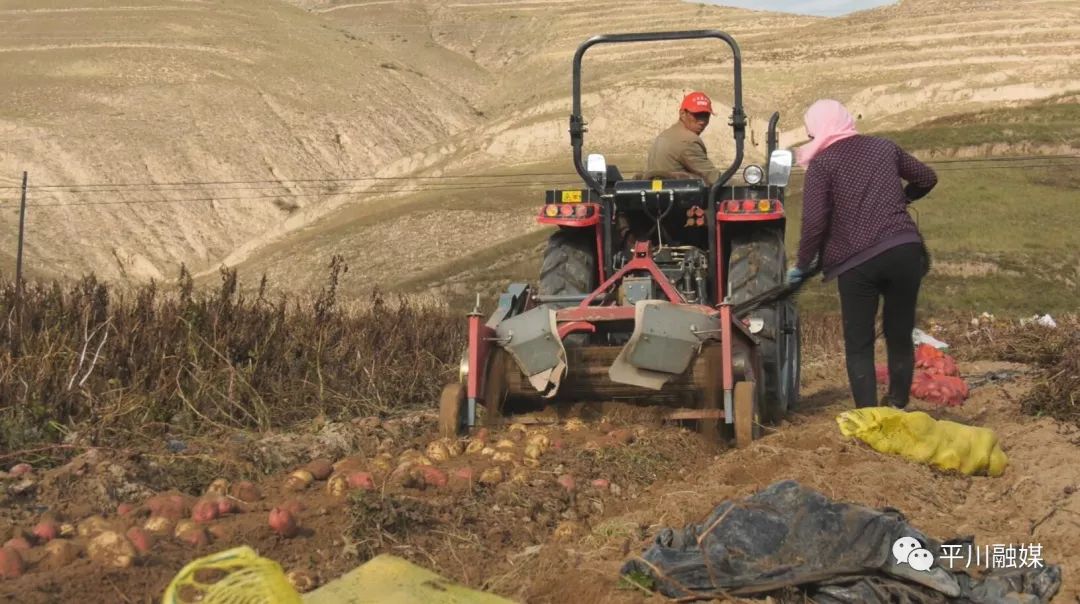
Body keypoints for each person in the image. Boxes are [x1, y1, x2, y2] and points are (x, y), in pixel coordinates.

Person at [786, 99, 938, 410]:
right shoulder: (883, 147)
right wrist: (901, 200)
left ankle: (868, 416)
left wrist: (803, 264)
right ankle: (897, 404)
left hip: (857, 262)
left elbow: (815, 222)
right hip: (904, 250)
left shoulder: (823, 164)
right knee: (898, 334)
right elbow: (926, 177)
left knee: (859, 344)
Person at [645, 91, 723, 185]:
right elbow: (714, 178)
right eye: (697, 115)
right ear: (682, 114)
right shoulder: (688, 141)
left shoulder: (665, 135)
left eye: (706, 116)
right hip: (680, 197)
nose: (702, 121)